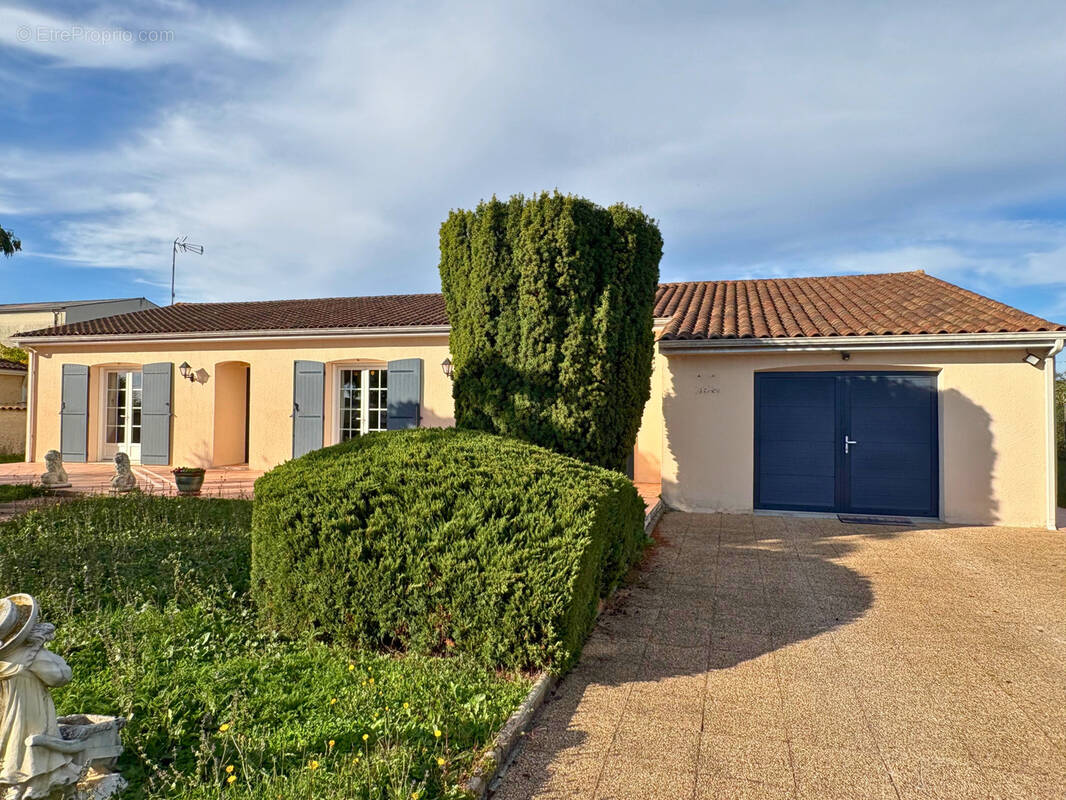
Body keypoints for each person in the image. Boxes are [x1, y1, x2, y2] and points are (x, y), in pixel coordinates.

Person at [0, 594, 82, 799]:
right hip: (31, 723)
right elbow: (60, 677)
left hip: (6, 724)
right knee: (30, 759)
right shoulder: (31, 656)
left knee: (11, 754)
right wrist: (41, 649)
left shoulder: (4, 660)